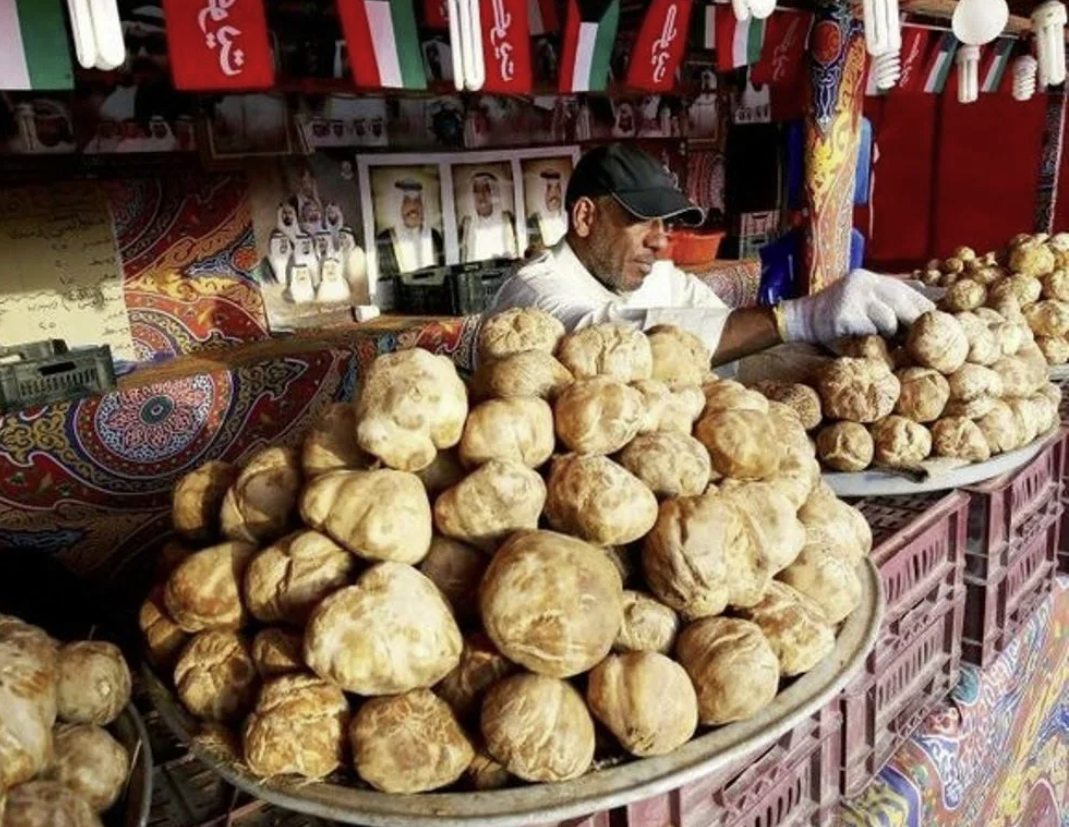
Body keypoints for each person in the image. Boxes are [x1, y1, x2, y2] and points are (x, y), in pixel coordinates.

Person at [488, 144, 934, 366]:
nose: (661, 242)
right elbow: (605, 340)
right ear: (585, 217)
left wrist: (830, 357)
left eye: (667, 225)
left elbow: (734, 344)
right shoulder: (533, 291)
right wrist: (799, 316)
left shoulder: (659, 278)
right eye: (644, 220)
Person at [376, 179, 445, 275]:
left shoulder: (435, 237)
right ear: (398, 205)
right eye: (406, 201)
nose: (413, 207)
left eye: (417, 200)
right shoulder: (384, 240)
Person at [459, 172, 518, 263]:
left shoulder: (507, 221)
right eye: (477, 191)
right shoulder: (467, 226)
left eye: (486, 190)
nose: (481, 196)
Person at [526, 169, 567, 251]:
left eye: (558, 188)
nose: (554, 194)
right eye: (548, 188)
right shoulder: (533, 223)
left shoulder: (570, 219)